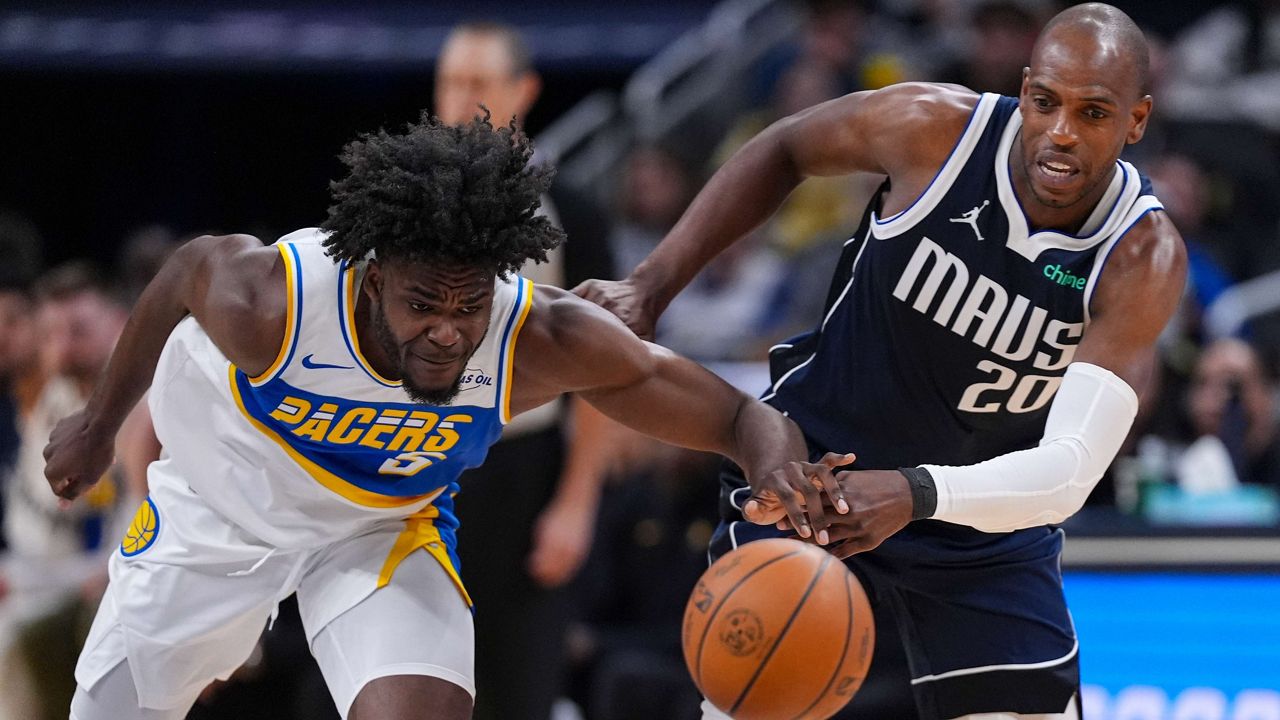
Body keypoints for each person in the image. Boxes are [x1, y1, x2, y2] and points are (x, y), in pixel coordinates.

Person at [43, 112, 826, 720]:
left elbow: (731, 414)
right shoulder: (272, 302)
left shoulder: (531, 340)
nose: (449, 330)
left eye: (469, 304)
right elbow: (183, 271)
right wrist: (97, 422)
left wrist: (775, 465)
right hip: (218, 514)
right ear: (373, 279)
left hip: (376, 526)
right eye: (424, 304)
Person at [577, 4, 1187, 718]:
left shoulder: (1139, 255)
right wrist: (652, 284)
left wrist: (914, 493)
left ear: (1136, 121)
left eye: (1092, 113)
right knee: (751, 697)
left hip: (982, 529)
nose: (1059, 132)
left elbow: (1069, 472)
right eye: (1045, 102)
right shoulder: (933, 128)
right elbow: (785, 149)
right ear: (1023, 89)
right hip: (813, 479)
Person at [432, 21, 619, 720]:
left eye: (479, 83)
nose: (462, 99)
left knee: (514, 691)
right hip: (412, 461)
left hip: (522, 472)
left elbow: (604, 371)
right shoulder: (391, 209)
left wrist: (576, 503)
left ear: (525, 91)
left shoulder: (572, 213)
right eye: (451, 81)